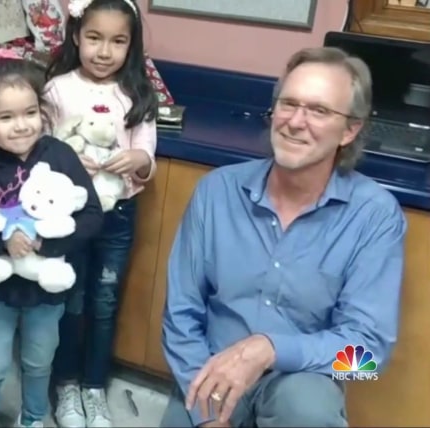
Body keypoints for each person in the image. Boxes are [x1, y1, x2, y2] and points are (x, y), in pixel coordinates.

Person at [160, 47, 408, 427]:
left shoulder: (376, 216)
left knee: (307, 408)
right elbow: (180, 315)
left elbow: (368, 359)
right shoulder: (216, 192)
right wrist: (206, 416)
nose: (295, 122)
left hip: (303, 384)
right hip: (213, 371)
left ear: (350, 130)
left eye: (319, 110)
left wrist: (271, 349)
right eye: (288, 104)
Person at [0, 46, 104, 428]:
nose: (21, 126)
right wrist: (2, 244)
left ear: (42, 111)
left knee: (39, 360)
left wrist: (47, 245)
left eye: (30, 113)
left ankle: (34, 418)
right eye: (6, 117)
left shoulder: (60, 156)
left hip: (46, 290)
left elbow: (91, 215)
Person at [43, 0, 159, 426]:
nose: (104, 51)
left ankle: (94, 387)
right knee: (70, 301)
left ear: (131, 46)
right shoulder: (56, 89)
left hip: (117, 215)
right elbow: (40, 149)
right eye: (94, 38)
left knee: (104, 302)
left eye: (117, 41)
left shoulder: (137, 94)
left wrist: (138, 161)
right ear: (76, 36)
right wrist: (66, 160)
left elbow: (147, 155)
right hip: (69, 216)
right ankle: (66, 385)